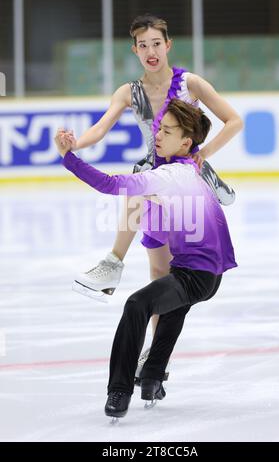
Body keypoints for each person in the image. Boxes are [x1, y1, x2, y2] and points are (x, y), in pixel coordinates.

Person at [55, 98, 238, 419]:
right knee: (171, 313)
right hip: (207, 272)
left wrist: (68, 158)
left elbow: (111, 185)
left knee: (137, 305)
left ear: (185, 142)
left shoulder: (170, 175)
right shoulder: (190, 172)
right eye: (158, 128)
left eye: (166, 131)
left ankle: (119, 390)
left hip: (196, 273)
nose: (157, 135)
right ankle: (152, 378)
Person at [56, 15, 242, 321]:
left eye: (156, 43)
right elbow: (100, 130)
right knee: (159, 272)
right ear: (135, 51)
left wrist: (203, 153)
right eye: (143, 45)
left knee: (138, 184)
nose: (150, 51)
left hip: (184, 178)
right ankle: (154, 350)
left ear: (168, 45)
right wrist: (74, 145)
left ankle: (113, 264)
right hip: (154, 174)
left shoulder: (190, 83)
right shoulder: (129, 92)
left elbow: (234, 120)